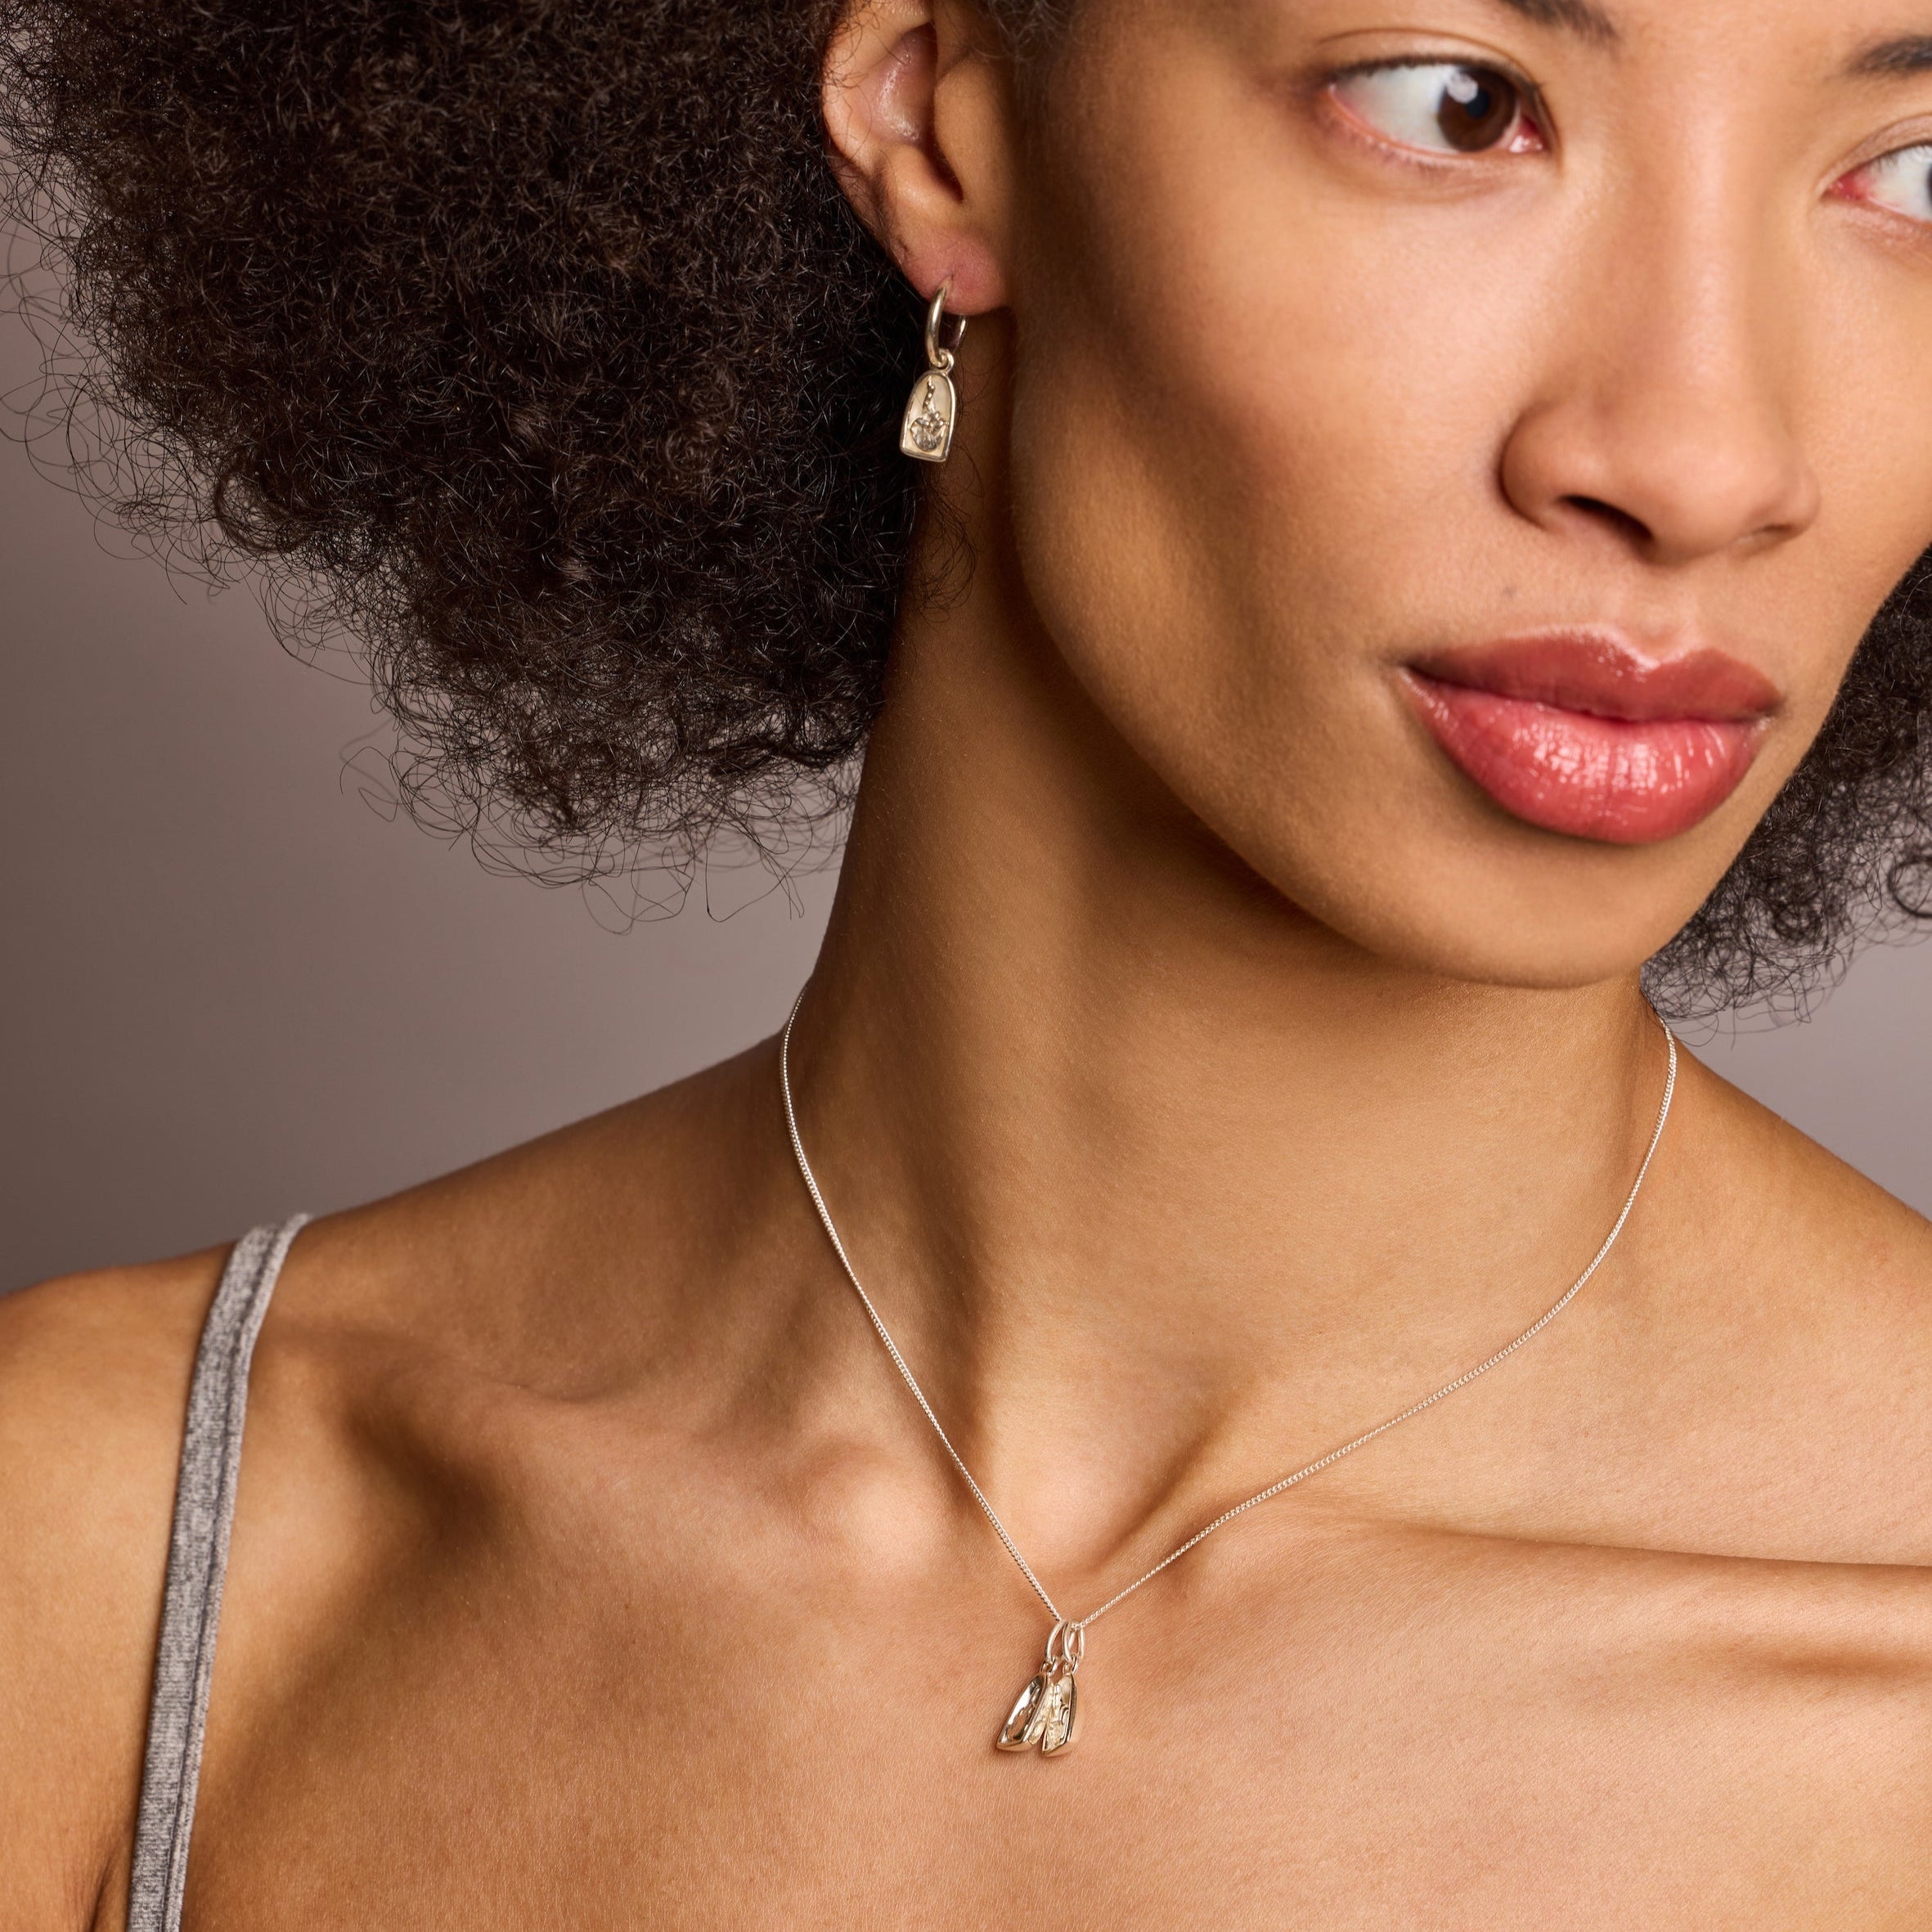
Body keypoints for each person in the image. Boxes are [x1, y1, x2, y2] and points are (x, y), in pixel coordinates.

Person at [3, 0, 1931, 1921]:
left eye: (1913, 172)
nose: (1702, 461)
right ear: (938, 121)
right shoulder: (104, 1561)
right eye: (1458, 107)